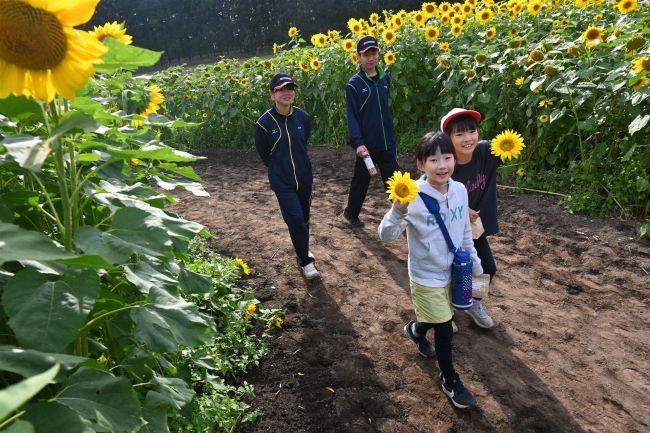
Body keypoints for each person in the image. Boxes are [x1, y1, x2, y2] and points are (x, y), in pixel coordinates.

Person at [378, 131, 483, 409]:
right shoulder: (412, 196)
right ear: (420, 165)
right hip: (425, 276)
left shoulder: (459, 191)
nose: (442, 165)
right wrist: (398, 210)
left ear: (454, 160)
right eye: (433, 159)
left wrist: (474, 261)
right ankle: (450, 379)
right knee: (446, 327)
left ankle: (415, 329)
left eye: (447, 157)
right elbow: (385, 235)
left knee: (440, 317)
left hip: (452, 270)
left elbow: (463, 232)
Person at [254, 73, 319, 279]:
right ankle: (306, 261)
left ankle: (302, 248)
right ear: (272, 94)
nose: (287, 93)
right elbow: (265, 154)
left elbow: (303, 142)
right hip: (282, 181)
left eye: (290, 88)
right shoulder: (263, 124)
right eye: (281, 89)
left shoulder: (303, 117)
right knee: (296, 220)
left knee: (305, 219)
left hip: (304, 177)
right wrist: (279, 170)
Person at [441, 108, 498, 329]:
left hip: (473, 229)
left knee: (486, 269)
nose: (467, 138)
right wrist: (461, 208)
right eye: (459, 134)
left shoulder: (486, 152)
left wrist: (509, 144)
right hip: (447, 228)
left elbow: (509, 144)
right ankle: (444, 312)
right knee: (447, 270)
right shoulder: (444, 163)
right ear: (448, 139)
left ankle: (474, 302)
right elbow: (429, 190)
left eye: (472, 131)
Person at [342, 35, 400, 227]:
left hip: (387, 142)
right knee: (361, 181)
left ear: (378, 54)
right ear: (359, 56)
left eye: (373, 53)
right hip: (367, 145)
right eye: (366, 54)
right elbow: (352, 116)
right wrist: (358, 143)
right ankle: (351, 213)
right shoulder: (354, 84)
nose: (370, 58)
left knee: (395, 182)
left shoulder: (385, 78)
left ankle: (402, 218)